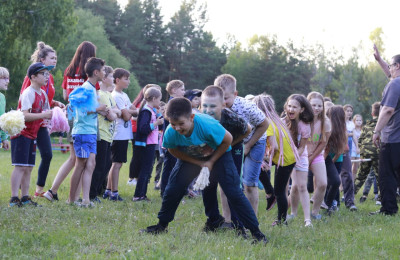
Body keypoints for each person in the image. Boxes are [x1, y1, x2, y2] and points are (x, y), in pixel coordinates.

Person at [141, 98, 267, 243]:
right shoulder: (171, 131)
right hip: (191, 157)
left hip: (220, 154)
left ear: (191, 117)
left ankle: (257, 234)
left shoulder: (208, 125)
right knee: (173, 189)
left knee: (233, 191)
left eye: (181, 124)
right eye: (173, 124)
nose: (177, 128)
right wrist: (199, 162)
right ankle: (161, 226)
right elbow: (172, 149)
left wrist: (211, 161)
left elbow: (228, 139)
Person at [44, 41, 98, 202]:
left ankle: (54, 191)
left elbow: (66, 95)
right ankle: (74, 197)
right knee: (82, 160)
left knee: (74, 158)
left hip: (71, 116)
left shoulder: (69, 70)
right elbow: (94, 99)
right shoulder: (89, 76)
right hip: (85, 120)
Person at [214, 74, 269, 215]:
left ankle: (251, 219)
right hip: (232, 143)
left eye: (226, 98)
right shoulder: (214, 106)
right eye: (220, 98)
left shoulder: (246, 107)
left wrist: (249, 145)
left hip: (255, 141)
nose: (223, 102)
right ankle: (227, 220)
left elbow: (264, 124)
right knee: (226, 182)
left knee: (249, 183)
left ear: (235, 94)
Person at [200, 85, 251, 231]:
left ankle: (238, 224)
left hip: (233, 148)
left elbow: (247, 130)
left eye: (213, 106)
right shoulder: (198, 117)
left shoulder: (232, 118)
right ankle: (213, 220)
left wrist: (229, 145)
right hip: (210, 150)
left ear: (223, 105)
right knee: (207, 184)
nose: (208, 110)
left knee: (232, 186)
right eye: (205, 105)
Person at [20, 42, 65, 198]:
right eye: (52, 58)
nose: (55, 60)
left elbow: (44, 97)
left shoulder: (49, 77)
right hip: (31, 121)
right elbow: (27, 97)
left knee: (47, 154)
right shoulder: (33, 75)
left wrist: (55, 103)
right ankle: (19, 190)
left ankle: (38, 190)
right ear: (42, 59)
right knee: (25, 158)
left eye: (56, 58)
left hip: (42, 122)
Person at [9, 62, 53, 207]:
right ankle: (14, 198)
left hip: (32, 135)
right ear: (33, 77)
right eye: (43, 74)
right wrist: (44, 115)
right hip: (22, 134)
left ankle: (25, 197)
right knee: (20, 166)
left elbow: (45, 113)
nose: (47, 77)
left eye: (47, 74)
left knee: (28, 167)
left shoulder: (43, 94)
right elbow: (24, 115)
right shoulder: (28, 93)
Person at [68, 57, 107, 207]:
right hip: (82, 132)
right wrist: (99, 108)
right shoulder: (85, 88)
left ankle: (86, 200)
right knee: (81, 164)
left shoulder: (93, 88)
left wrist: (102, 111)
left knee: (91, 164)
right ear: (96, 72)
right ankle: (72, 200)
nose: (104, 72)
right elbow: (81, 111)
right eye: (103, 70)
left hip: (90, 132)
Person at [371, 54, 400, 216]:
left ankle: (388, 210)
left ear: (397, 66)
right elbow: (391, 75)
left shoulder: (395, 84)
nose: (389, 69)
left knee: (387, 174)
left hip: (393, 139)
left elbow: (388, 110)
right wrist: (380, 61)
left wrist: (377, 131)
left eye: (391, 65)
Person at [104, 68, 137, 201]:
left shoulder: (124, 95)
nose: (128, 81)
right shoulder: (116, 95)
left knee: (118, 163)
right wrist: (129, 111)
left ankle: (108, 190)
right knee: (116, 164)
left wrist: (129, 111)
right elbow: (127, 116)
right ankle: (114, 192)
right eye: (126, 79)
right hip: (118, 135)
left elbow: (134, 110)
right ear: (117, 80)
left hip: (124, 135)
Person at [89, 66, 120, 203]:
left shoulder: (109, 95)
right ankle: (91, 194)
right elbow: (113, 116)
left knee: (106, 164)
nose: (113, 79)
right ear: (104, 78)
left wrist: (113, 112)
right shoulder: (100, 94)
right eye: (112, 77)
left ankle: (97, 192)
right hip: (101, 134)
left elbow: (117, 111)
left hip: (108, 135)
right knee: (100, 165)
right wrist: (113, 113)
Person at [283, 94, 313, 227]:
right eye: (289, 106)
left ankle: (307, 220)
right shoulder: (282, 122)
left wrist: (293, 159)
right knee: (291, 187)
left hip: (300, 157)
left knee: (301, 186)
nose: (291, 109)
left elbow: (302, 147)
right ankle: (288, 214)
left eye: (295, 107)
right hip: (285, 156)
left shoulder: (305, 126)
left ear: (301, 110)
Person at [132, 87, 164, 201]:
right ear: (154, 98)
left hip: (151, 143)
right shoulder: (146, 111)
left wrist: (159, 117)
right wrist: (156, 123)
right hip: (146, 145)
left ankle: (142, 195)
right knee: (145, 170)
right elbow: (143, 128)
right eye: (159, 99)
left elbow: (159, 127)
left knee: (147, 169)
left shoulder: (152, 110)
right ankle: (138, 195)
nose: (160, 102)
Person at [306, 91, 331, 219]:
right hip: (301, 155)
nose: (316, 108)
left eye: (319, 105)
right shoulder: (302, 119)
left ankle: (315, 212)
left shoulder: (325, 122)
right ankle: (287, 212)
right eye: (313, 105)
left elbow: (323, 143)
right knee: (296, 187)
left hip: (316, 155)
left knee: (322, 183)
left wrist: (311, 157)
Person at [159, 80, 186, 196]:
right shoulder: (172, 105)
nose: (184, 92)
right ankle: (168, 191)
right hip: (172, 141)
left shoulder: (176, 103)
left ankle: (167, 191)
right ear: (174, 90)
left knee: (170, 166)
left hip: (175, 140)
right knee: (172, 167)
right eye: (182, 89)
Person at [355, 102, 380, 204]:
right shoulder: (384, 124)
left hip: (365, 152)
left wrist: (362, 153)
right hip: (378, 153)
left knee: (361, 175)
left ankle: (348, 195)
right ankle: (380, 199)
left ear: (372, 113)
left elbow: (360, 140)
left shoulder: (366, 126)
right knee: (380, 176)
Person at [324, 105, 347, 214]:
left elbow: (339, 151)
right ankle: (326, 203)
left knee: (334, 182)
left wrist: (331, 163)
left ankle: (335, 202)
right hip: (324, 158)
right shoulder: (326, 128)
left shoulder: (342, 131)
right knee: (326, 182)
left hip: (336, 159)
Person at [340, 104, 357, 211]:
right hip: (331, 150)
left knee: (348, 175)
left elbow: (353, 135)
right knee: (333, 178)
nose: (349, 113)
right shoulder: (338, 122)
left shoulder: (351, 124)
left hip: (346, 149)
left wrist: (358, 147)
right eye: (347, 111)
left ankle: (350, 202)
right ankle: (331, 202)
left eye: (351, 111)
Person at [0, 67, 10, 151]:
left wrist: (4, 138)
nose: (8, 81)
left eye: (8, 78)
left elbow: (2, 118)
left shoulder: (2, 97)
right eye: (4, 78)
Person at [351, 114, 363, 181]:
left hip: (359, 151)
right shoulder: (353, 129)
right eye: (357, 120)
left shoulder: (362, 130)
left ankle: (352, 182)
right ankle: (345, 183)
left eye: (360, 120)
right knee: (350, 166)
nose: (359, 121)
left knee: (355, 168)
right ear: (354, 121)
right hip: (353, 149)